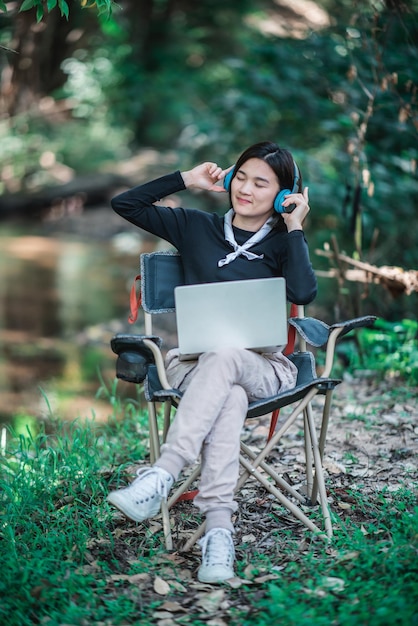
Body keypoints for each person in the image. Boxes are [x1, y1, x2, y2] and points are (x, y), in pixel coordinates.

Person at [107, 141, 317, 584]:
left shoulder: (281, 243)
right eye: (241, 176)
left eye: (262, 183)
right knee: (229, 395)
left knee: (229, 361)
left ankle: (163, 473)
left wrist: (294, 225)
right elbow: (124, 203)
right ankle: (219, 534)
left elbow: (303, 293)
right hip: (193, 366)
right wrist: (187, 179)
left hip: (264, 367)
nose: (245, 189)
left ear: (283, 194)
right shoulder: (194, 226)